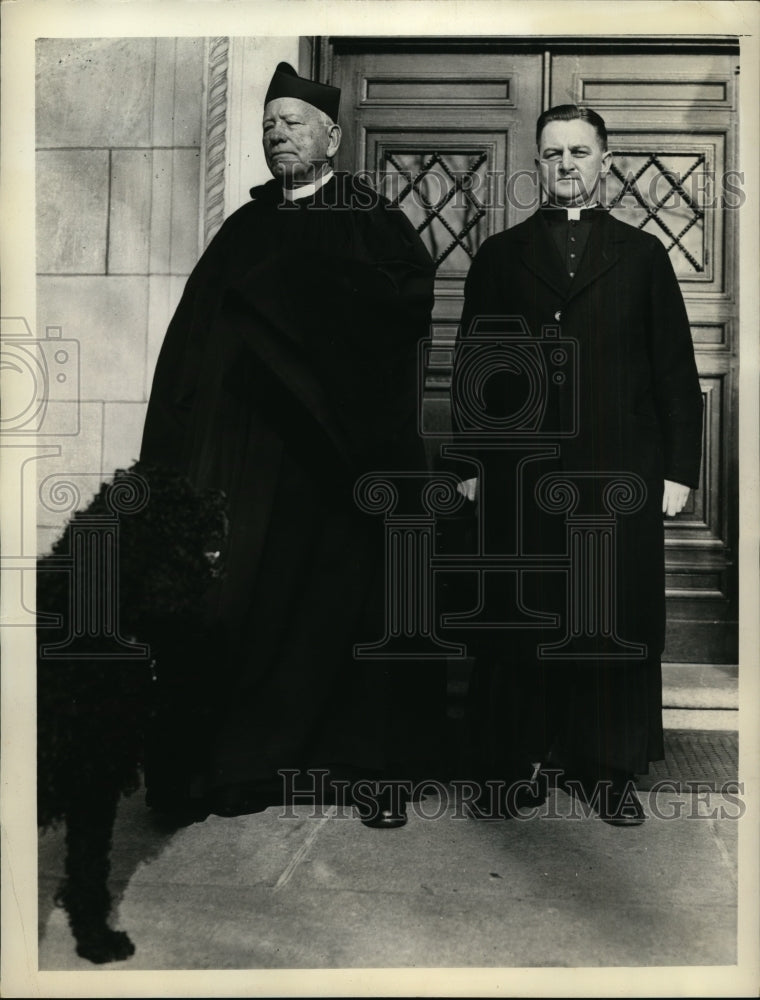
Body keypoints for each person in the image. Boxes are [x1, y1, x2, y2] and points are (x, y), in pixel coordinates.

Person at [140, 62, 441, 827]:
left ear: (332, 136)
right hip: (255, 468)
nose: (277, 133)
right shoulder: (243, 230)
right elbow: (192, 348)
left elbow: (398, 316)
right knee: (243, 607)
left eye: (293, 122)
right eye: (269, 123)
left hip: (344, 465)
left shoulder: (373, 221)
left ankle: (366, 775)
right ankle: (240, 769)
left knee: (353, 615)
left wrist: (297, 309)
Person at [451, 105, 703, 825]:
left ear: (606, 160)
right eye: (554, 153)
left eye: (580, 151)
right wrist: (470, 462)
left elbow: (675, 376)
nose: (567, 164)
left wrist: (678, 471)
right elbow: (474, 367)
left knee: (611, 617)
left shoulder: (644, 255)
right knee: (521, 618)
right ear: (538, 162)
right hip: (521, 478)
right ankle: (515, 762)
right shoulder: (501, 256)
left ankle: (609, 770)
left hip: (618, 474)